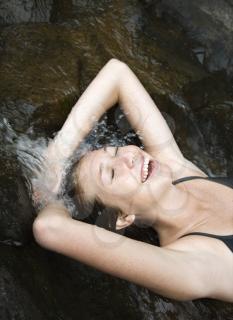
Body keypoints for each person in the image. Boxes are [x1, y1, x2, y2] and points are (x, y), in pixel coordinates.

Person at [33, 59, 233, 302]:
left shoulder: (178, 170)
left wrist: (57, 155)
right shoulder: (192, 265)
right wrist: (50, 194)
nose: (127, 158)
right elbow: (49, 229)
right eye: (112, 174)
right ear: (122, 218)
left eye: (116, 151)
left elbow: (118, 73)